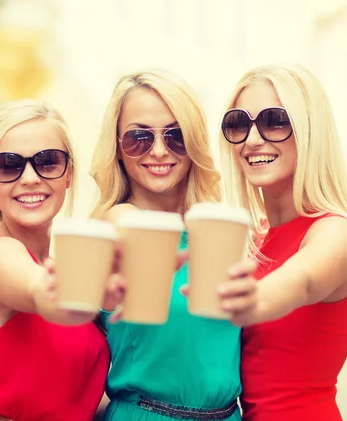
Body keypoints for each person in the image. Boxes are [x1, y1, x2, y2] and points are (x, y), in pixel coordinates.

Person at [89, 68, 255, 421]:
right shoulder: (114, 224)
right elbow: (128, 228)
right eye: (138, 137)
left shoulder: (219, 231)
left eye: (176, 136)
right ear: (117, 148)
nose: (160, 151)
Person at [216, 63, 347, 421]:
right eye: (239, 124)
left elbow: (301, 281)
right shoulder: (254, 239)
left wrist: (252, 301)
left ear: (310, 132)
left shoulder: (336, 231)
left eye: (275, 121)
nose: (252, 139)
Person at [0, 100, 116, 421]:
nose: (30, 178)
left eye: (48, 161)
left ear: (68, 174)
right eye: (7, 164)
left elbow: (74, 400)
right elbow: (40, 290)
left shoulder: (60, 271)